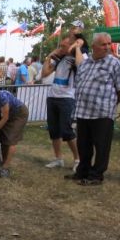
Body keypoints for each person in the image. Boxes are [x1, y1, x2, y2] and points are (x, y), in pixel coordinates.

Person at [67, 33, 120, 186]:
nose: (107, 47)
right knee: (84, 145)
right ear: (94, 46)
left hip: (102, 112)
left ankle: (96, 175)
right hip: (83, 111)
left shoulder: (115, 64)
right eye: (103, 44)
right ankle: (82, 171)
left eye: (109, 44)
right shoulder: (86, 64)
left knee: (101, 146)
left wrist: (110, 102)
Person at [41, 36, 83, 170]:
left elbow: (81, 65)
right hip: (53, 97)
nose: (60, 48)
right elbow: (44, 73)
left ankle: (78, 159)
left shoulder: (74, 59)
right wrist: (49, 57)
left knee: (67, 130)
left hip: (67, 98)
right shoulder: (59, 61)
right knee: (54, 130)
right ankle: (58, 158)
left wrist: (76, 47)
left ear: (70, 47)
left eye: (63, 46)